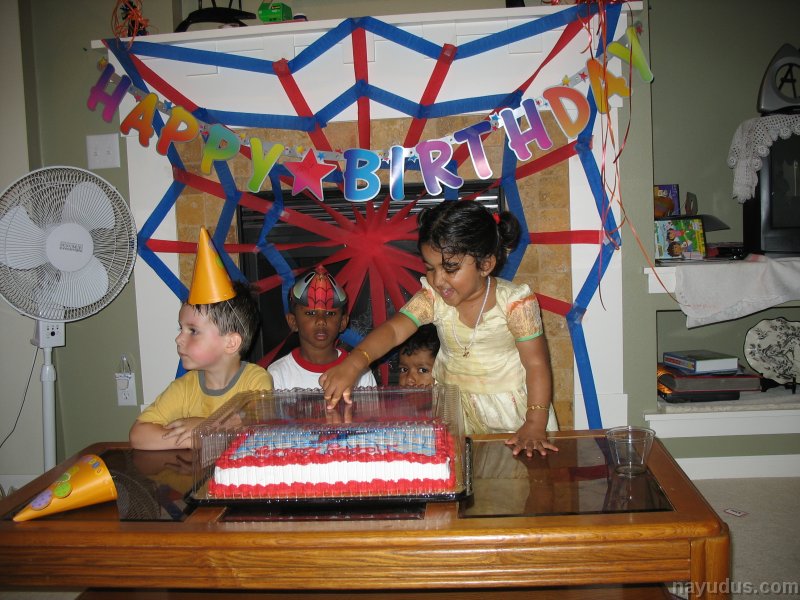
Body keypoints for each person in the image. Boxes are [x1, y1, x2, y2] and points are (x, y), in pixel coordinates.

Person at [320, 201, 559, 457]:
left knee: (515, 477)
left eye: (450, 268)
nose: (437, 280)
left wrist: (535, 423)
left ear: (485, 264)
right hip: (455, 411)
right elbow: (394, 330)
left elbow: (536, 364)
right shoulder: (433, 299)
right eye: (430, 268)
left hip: (513, 414)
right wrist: (355, 362)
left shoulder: (514, 303)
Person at [130, 228, 272, 450]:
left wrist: (205, 429)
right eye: (181, 328)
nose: (179, 338)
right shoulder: (183, 388)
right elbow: (139, 435)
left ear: (231, 343)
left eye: (193, 331)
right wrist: (195, 438)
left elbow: (256, 429)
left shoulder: (255, 381)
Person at [268, 265, 377, 390]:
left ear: (343, 322)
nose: (321, 321)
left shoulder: (359, 373)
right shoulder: (277, 374)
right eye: (311, 313)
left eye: (330, 313)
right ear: (293, 322)